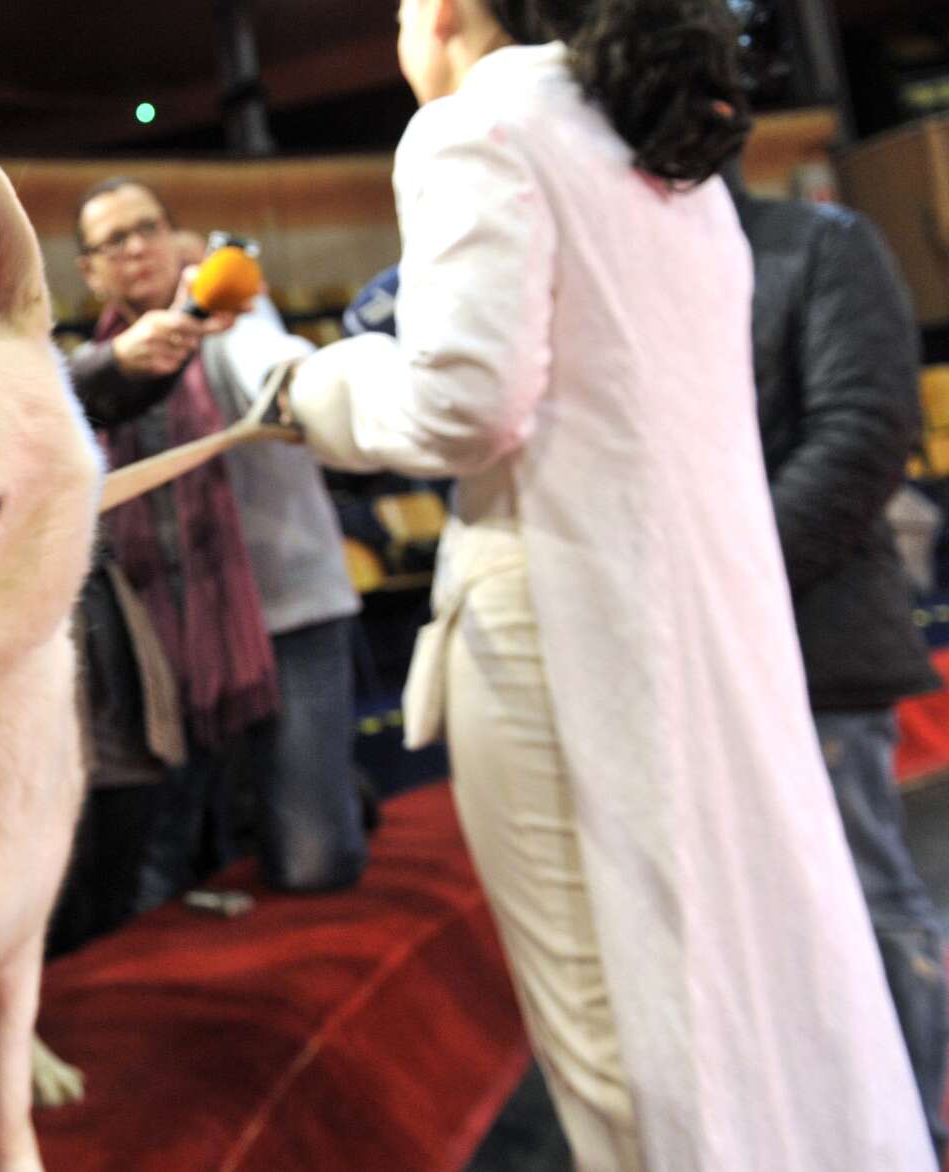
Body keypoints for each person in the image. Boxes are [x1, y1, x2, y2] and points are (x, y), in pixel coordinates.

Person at [279, 0, 933, 1166]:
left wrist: (315, 393)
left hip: (555, 623)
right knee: (751, 988)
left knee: (613, 1020)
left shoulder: (476, 125)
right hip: (689, 621)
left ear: (441, 12)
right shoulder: (654, 146)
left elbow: (462, 405)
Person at [69, 177, 368, 902]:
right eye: (114, 240)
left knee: (313, 864)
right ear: (91, 271)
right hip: (157, 645)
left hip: (288, 615)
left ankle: (332, 788)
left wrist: (304, 379)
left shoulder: (234, 316)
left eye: (148, 228)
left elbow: (270, 363)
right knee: (162, 874)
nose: (136, 247)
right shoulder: (91, 364)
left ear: (179, 241)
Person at [728, 171, 948, 1156]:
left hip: (816, 643)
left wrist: (722, 578)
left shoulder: (815, 243)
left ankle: (913, 1126)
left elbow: (860, 435)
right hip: (702, 661)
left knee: (869, 894)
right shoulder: (625, 265)